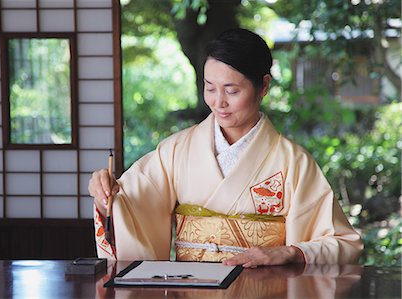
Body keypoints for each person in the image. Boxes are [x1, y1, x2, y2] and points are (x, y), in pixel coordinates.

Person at [88, 28, 363, 267]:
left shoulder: (293, 162)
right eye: (210, 88)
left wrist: (290, 253)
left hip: (265, 289)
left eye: (231, 91)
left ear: (263, 85)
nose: (218, 102)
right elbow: (128, 205)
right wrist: (106, 194)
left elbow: (343, 242)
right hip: (190, 289)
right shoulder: (176, 151)